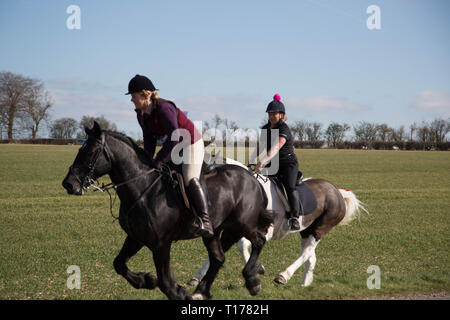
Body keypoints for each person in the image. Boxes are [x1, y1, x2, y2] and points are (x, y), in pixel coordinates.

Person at [126, 74, 213, 238]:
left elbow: (175, 136)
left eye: (133, 96)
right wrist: (147, 160)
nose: (131, 100)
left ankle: (205, 220)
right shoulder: (141, 113)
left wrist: (158, 160)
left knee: (189, 178)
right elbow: (149, 139)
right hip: (173, 145)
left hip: (190, 143)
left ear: (145, 95)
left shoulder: (164, 109)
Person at [253, 94, 301, 231]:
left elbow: (276, 147)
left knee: (290, 187)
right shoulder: (265, 129)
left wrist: (262, 161)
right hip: (273, 164)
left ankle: (294, 217)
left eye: (274, 113)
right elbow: (260, 147)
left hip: (288, 164)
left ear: (281, 115)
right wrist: (251, 161)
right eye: (270, 113)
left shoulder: (284, 129)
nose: (271, 116)